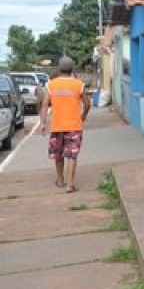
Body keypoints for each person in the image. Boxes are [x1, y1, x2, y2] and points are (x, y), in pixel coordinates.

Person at [39, 56, 91, 193]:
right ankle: (70, 185)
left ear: (59, 68)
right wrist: (83, 116)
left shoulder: (51, 84)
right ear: (72, 68)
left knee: (58, 154)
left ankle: (60, 179)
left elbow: (44, 105)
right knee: (72, 155)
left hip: (57, 126)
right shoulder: (79, 84)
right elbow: (87, 104)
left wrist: (43, 123)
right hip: (74, 126)